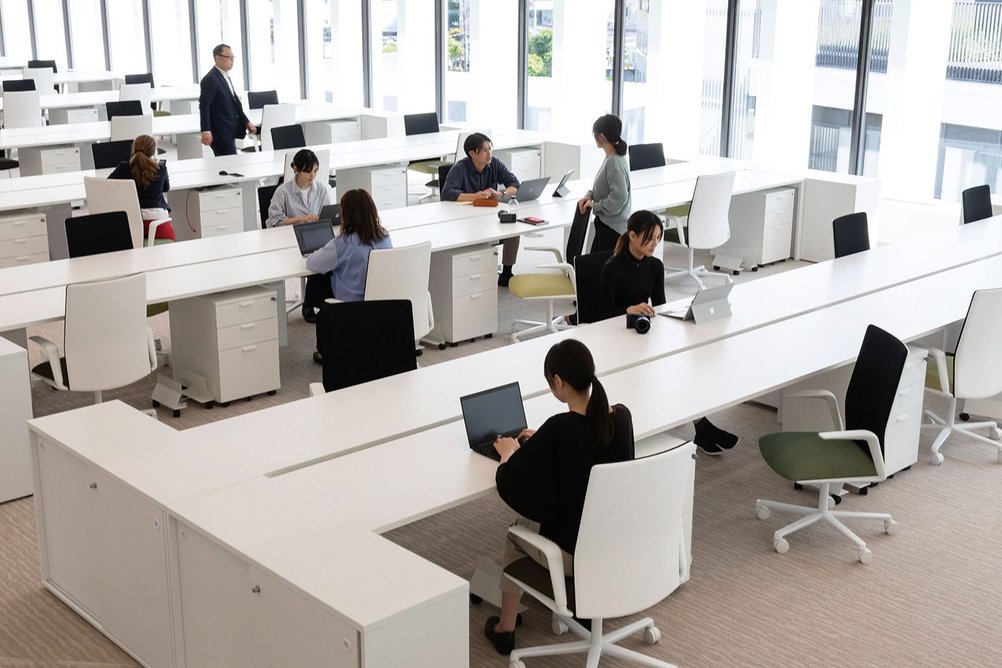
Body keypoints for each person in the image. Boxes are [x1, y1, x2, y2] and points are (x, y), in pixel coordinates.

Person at [483, 338, 635, 656]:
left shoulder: (560, 429)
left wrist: (509, 453)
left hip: (573, 554)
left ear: (558, 382)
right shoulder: (621, 418)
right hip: (618, 544)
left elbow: (509, 483)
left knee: (515, 531)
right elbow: (587, 445)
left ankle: (505, 629)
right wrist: (544, 441)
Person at [599, 209, 739, 456]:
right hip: (616, 337)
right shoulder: (613, 267)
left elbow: (661, 304)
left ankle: (700, 424)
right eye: (650, 238)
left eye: (658, 238)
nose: (655, 244)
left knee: (679, 365)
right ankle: (701, 427)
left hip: (644, 333)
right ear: (632, 236)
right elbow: (599, 315)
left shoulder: (655, 266)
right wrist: (627, 310)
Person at [305, 189, 393, 363]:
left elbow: (312, 263)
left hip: (350, 308)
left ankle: (321, 342)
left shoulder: (343, 243)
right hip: (383, 304)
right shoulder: (385, 238)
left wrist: (317, 252)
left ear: (346, 214)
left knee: (318, 277)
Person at [441, 132, 521, 286]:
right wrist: (474, 196)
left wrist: (501, 193)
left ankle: (506, 272)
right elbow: (447, 193)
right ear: (472, 153)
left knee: (513, 227)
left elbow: (514, 184)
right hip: (465, 218)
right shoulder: (460, 168)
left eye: (490, 149)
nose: (489, 153)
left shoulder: (495, 164)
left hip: (489, 213)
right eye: (485, 150)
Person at [267, 149, 336, 323]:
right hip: (291, 239)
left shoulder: (321, 189)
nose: (312, 176)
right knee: (317, 259)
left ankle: (320, 302)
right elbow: (273, 222)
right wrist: (303, 218)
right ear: (296, 169)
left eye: (315, 171)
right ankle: (310, 303)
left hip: (317, 235)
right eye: (308, 171)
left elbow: (327, 214)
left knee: (330, 257)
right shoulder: (283, 192)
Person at [578, 114, 631, 253]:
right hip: (607, 224)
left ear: (601, 136)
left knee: (600, 268)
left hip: (612, 228)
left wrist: (596, 206)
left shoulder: (614, 162)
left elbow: (620, 197)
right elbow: (604, 187)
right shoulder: (612, 157)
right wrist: (589, 195)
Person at [108, 134, 175, 242]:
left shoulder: (124, 167)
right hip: (158, 224)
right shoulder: (160, 168)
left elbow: (108, 186)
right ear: (154, 151)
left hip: (131, 223)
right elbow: (166, 188)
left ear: (133, 149)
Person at [199, 43, 256, 156]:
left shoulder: (224, 76)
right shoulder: (210, 79)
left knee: (229, 165)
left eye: (232, 57)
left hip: (229, 130)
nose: (232, 60)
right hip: (220, 132)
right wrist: (206, 130)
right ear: (218, 58)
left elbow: (235, 104)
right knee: (229, 166)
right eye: (228, 57)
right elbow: (204, 106)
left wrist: (246, 122)